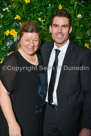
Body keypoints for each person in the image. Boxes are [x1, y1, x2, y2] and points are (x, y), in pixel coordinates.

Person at [41, 9, 91, 136]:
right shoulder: (44, 49)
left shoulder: (83, 55)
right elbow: (29, 58)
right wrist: (16, 56)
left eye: (64, 26)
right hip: (47, 115)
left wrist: (87, 127)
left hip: (71, 119)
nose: (59, 31)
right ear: (50, 28)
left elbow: (88, 92)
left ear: (70, 29)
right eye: (56, 26)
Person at [0, 20, 46, 136]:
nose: (31, 44)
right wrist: (12, 124)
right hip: (19, 123)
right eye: (27, 40)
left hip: (37, 121)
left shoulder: (40, 59)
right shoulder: (12, 61)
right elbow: (2, 93)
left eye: (35, 40)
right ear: (19, 38)